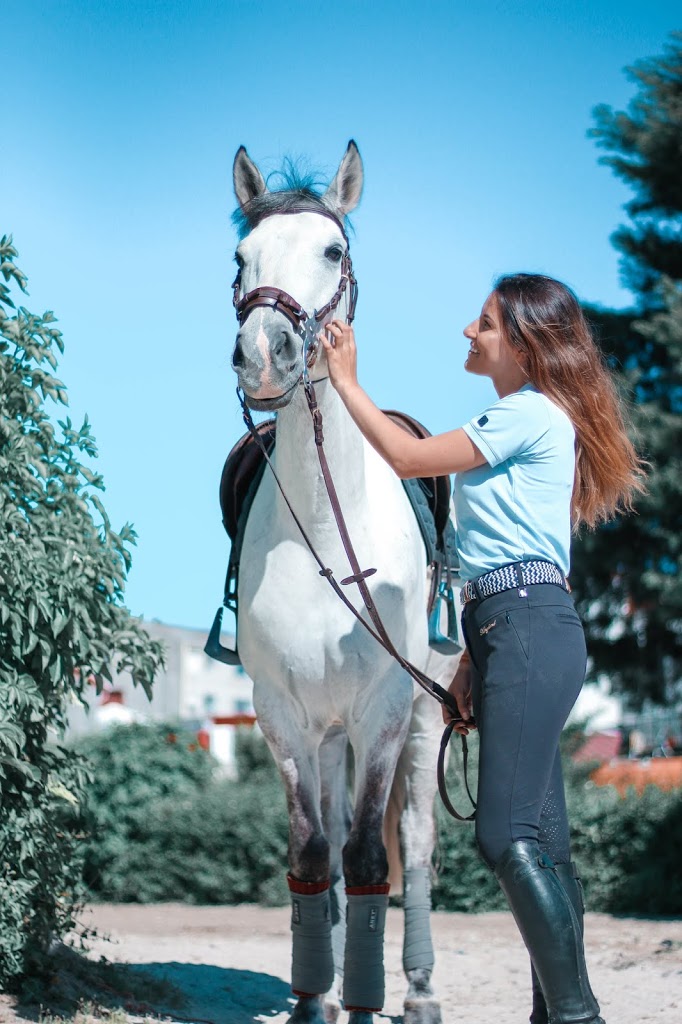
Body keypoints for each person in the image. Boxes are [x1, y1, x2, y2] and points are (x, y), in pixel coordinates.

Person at [320, 273, 645, 1024]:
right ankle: (555, 1013)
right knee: (546, 846)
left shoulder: (528, 414)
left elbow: (406, 458)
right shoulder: (528, 417)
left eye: (487, 323)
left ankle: (576, 1016)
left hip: (526, 628)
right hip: (511, 629)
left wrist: (345, 380)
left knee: (504, 837)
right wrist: (471, 657)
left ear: (526, 346)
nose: (470, 332)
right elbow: (505, 557)